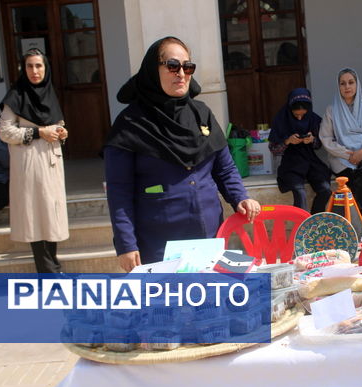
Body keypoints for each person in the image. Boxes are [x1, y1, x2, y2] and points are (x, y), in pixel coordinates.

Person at [104, 36, 261, 271]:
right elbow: (119, 192)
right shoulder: (130, 123)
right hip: (158, 242)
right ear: (152, 70)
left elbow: (224, 167)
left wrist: (240, 196)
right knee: (168, 305)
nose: (181, 73)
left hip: (209, 234)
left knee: (211, 302)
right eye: (172, 66)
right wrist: (126, 244)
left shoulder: (202, 113)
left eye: (187, 67)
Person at [0, 48, 69, 273]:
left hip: (51, 162)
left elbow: (57, 123)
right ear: (23, 68)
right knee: (35, 215)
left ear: (46, 68)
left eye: (39, 66)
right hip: (29, 164)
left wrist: (61, 133)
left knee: (51, 213)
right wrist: (39, 133)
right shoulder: (16, 96)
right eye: (29, 66)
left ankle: (53, 266)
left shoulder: (50, 94)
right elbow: (5, 132)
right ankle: (48, 272)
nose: (34, 71)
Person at [319, 68, 362, 224]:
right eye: (343, 83)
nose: (347, 87)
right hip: (341, 157)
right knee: (353, 177)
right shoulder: (331, 110)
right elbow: (326, 139)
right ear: (338, 87)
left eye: (351, 82)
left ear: (357, 85)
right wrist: (348, 155)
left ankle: (355, 219)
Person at [268, 88, 331, 214]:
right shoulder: (281, 120)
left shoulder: (314, 119)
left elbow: (319, 144)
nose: (300, 117)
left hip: (310, 160)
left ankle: (314, 223)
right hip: (291, 162)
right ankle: (302, 227)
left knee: (325, 190)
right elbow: (273, 149)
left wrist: (312, 140)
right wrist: (287, 141)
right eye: (296, 115)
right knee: (299, 192)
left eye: (303, 114)